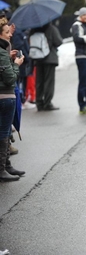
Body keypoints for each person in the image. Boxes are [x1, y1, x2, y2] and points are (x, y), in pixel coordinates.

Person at [0, 17, 25, 181]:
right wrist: (16, 64)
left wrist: (9, 58)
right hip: (5, 95)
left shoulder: (3, 52)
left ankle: (6, 166)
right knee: (4, 132)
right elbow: (10, 79)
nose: (10, 36)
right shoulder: (1, 52)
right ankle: (2, 169)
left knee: (6, 132)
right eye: (7, 33)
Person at [30, 21, 63, 111]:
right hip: (49, 58)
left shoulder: (34, 29)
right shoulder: (51, 28)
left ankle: (39, 102)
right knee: (49, 81)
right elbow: (59, 41)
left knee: (39, 81)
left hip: (38, 58)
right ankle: (47, 103)